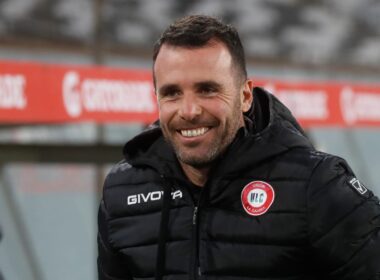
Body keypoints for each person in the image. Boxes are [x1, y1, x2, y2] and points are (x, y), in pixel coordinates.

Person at [97, 15, 380, 280]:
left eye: (207, 89)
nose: (190, 110)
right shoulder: (121, 192)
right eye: (172, 93)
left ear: (245, 96)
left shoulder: (318, 184)